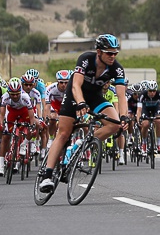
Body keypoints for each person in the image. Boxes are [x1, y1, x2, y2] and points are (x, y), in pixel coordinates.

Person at [38, 34, 129, 193]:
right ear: (99, 52)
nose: (112, 56)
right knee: (64, 133)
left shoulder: (117, 68)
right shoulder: (86, 59)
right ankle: (47, 175)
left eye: (115, 53)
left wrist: (124, 117)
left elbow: (121, 96)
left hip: (94, 97)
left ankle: (83, 144)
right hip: (74, 94)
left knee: (114, 124)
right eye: (109, 53)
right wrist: (80, 103)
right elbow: (76, 85)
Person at [0, 78, 41, 176]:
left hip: (24, 111)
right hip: (12, 112)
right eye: (12, 94)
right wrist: (1, 124)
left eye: (17, 94)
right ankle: (1, 166)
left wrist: (32, 125)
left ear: (21, 92)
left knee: (30, 128)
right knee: (6, 136)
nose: (15, 96)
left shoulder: (25, 97)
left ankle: (24, 144)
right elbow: (2, 114)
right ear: (9, 93)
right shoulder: (5, 97)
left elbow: (31, 114)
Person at [136, 80, 160, 154]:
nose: (152, 93)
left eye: (154, 91)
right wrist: (138, 120)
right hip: (145, 109)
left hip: (156, 108)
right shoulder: (142, 95)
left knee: (158, 121)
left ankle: (159, 145)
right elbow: (139, 110)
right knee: (145, 124)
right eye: (150, 91)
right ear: (147, 90)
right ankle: (144, 143)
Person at [43, 70, 70, 151]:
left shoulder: (72, 88)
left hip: (66, 104)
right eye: (61, 82)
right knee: (52, 118)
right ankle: (51, 138)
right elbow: (47, 106)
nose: (63, 85)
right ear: (57, 81)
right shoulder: (51, 88)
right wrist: (47, 117)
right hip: (55, 104)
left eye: (66, 83)